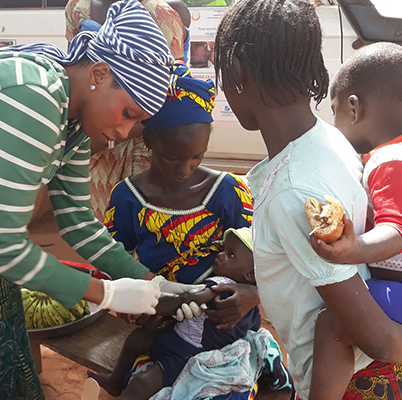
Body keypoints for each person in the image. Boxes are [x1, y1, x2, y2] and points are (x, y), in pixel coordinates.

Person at [0, 2, 205, 398]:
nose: (124, 130)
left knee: (0, 356)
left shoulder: (73, 120)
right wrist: (108, 293)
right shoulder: (33, 99)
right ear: (99, 74)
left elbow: (79, 222)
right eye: (127, 112)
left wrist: (153, 284)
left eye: (137, 122)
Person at [213, 1, 402, 399]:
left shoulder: (294, 189)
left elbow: (380, 340)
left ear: (238, 69)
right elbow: (305, 272)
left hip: (350, 382)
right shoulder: (329, 141)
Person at [104, 62, 260, 399]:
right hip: (163, 326)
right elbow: (113, 262)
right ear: (148, 141)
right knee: (147, 384)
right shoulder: (128, 199)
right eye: (172, 156)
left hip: (225, 325)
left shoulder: (226, 192)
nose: (185, 169)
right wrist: (134, 305)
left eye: (196, 156)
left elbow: (260, 257)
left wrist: (254, 295)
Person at [308, 42, 402, 400]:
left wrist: (352, 249)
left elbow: (396, 230)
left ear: (353, 108)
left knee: (334, 322)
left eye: (334, 112)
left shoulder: (388, 159)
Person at [88, 227, 262, 400]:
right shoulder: (249, 303)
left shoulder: (222, 285)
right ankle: (114, 382)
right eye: (223, 250)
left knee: (143, 382)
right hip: (179, 338)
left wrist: (146, 305)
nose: (220, 255)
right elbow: (253, 328)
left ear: (250, 274)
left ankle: (116, 382)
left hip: (188, 352)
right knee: (138, 340)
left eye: (230, 255)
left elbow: (187, 300)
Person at [64, 0, 189, 223]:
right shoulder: (78, 7)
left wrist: (111, 132)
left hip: (146, 145)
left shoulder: (164, 14)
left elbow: (170, 96)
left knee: (144, 227)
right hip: (96, 142)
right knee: (98, 225)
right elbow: (79, 74)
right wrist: (85, 140)